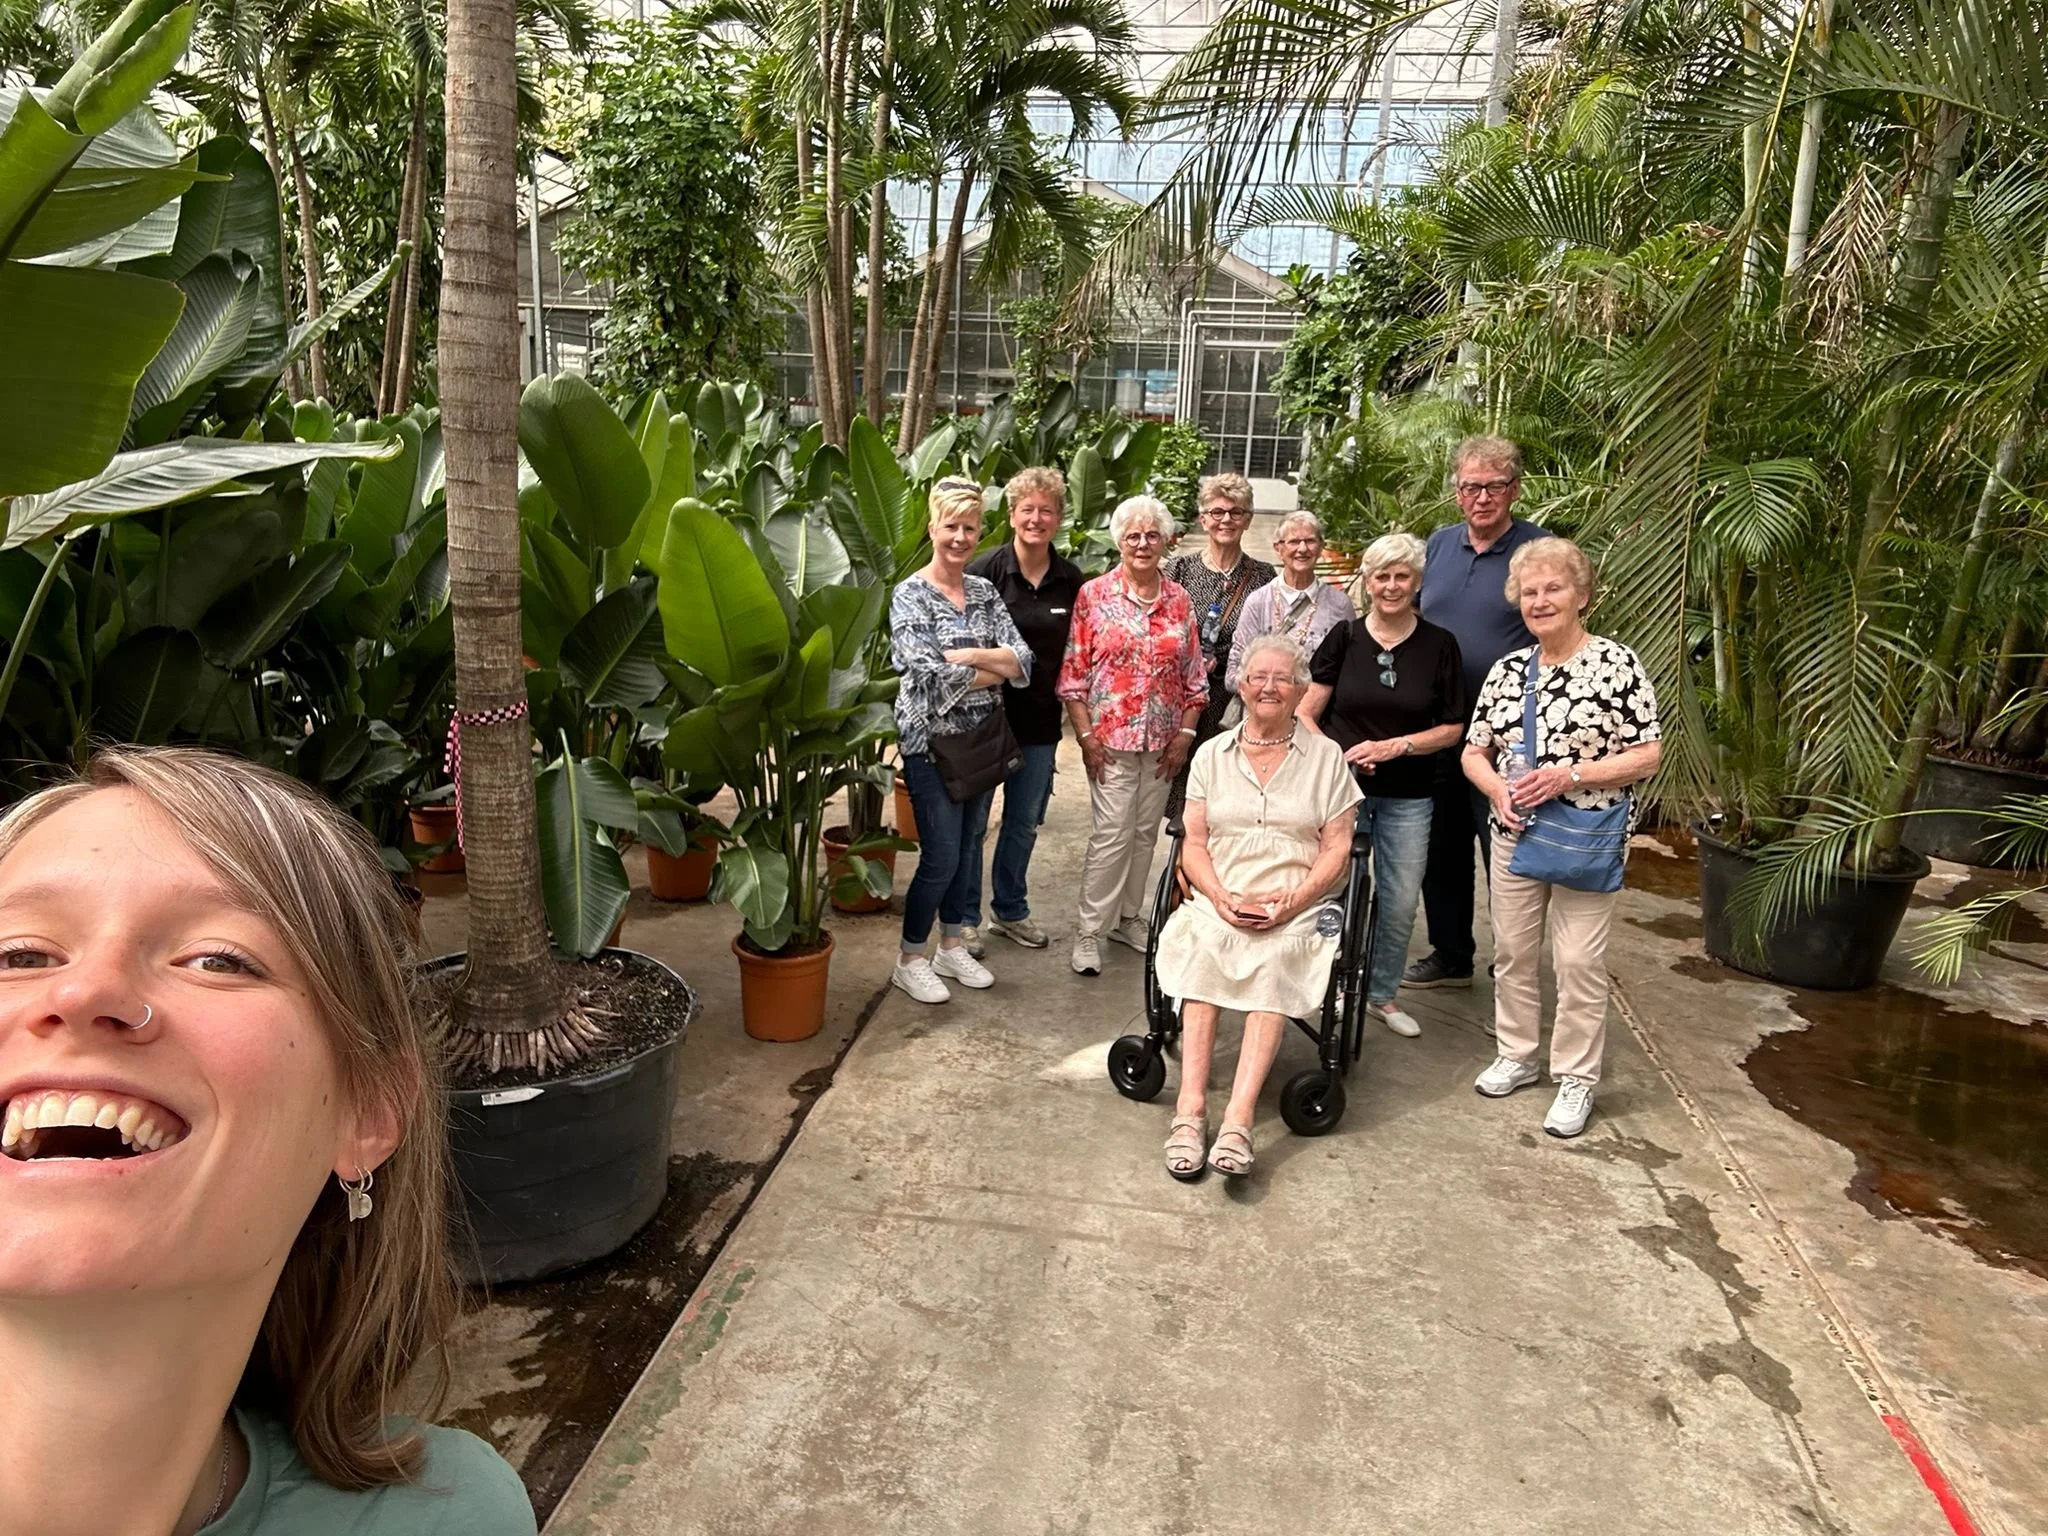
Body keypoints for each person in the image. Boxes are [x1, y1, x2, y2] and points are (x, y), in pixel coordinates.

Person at [0, 746, 535, 1536]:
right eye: (19, 953)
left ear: (369, 1110)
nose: (82, 992)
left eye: (218, 959)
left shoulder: (444, 1517)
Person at [1463, 537, 1662, 1138]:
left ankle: (1576, 1077)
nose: (1541, 600)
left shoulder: (1616, 665)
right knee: (1514, 953)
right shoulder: (1508, 671)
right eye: (1530, 592)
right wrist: (1498, 790)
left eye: (1553, 589)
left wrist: (1570, 775)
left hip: (1587, 834)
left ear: (1582, 595)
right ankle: (1518, 1054)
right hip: (1516, 833)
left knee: (1578, 960)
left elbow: (1648, 754)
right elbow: (1475, 751)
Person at [1153, 634, 1362, 1180]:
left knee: (1272, 964)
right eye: (1258, 678)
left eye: (1283, 679)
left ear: (1299, 691)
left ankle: (1239, 1120)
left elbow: (1339, 844)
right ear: (1241, 686)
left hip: (1296, 898)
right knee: (1202, 953)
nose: (1269, 687)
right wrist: (1219, 897)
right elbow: (1192, 843)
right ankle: (1190, 1110)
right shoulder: (1211, 755)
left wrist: (1295, 900)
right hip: (1222, 891)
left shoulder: (1326, 758)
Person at [1299, 533, 1468, 1038]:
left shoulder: (1440, 644)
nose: (1391, 586)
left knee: (1397, 900)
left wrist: (1397, 747)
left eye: (1402, 577)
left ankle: (1380, 994)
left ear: (1417, 583)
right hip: (1343, 793)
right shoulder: (1345, 637)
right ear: (1367, 583)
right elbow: (1307, 712)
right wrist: (1338, 754)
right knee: (1329, 894)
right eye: (1381, 577)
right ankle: (1322, 987)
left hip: (1410, 794)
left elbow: (1452, 727)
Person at [1407, 435, 1549, 991]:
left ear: (1513, 489)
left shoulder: (1537, 550)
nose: (1482, 497)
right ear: (1457, 493)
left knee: (1507, 851)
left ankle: (1513, 964)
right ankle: (1450, 952)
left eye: (1493, 486)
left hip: (1510, 735)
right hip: (1442, 726)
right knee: (1442, 846)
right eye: (1471, 487)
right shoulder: (1438, 546)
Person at [888, 477, 1032, 1006]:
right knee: (941, 857)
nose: (960, 537)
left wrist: (968, 657)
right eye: (951, 526)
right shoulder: (910, 594)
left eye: (969, 528)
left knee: (969, 845)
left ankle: (951, 944)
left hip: (981, 740)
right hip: (931, 745)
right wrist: (990, 660)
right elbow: (924, 673)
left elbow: (1022, 660)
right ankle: (910, 957)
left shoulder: (986, 591)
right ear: (932, 529)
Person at [1056, 496, 1207, 979]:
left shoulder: (1179, 599)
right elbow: (1074, 674)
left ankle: (1127, 918)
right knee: (1110, 836)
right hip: (1111, 743)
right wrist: (1085, 737)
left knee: (1144, 834)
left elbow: (1194, 678)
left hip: (1164, 744)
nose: (1143, 544)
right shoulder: (1093, 596)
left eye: (1152, 535)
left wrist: (1185, 735)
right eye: (1133, 536)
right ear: (1119, 541)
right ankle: (1089, 930)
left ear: (1166, 541)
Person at [963, 467, 1084, 954]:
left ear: (1058, 518)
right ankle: (963, 917)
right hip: (983, 719)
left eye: (1046, 510)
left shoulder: (1070, 580)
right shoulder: (984, 572)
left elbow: (1080, 651)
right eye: (1027, 509)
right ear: (1012, 515)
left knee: (1023, 821)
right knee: (973, 823)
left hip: (1038, 724)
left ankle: (1010, 909)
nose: (1036, 518)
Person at [1162, 472, 1275, 821]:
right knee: (1182, 801)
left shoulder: (1264, 577)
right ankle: (1180, 870)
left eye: (1236, 512)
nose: (1226, 519)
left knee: (1227, 799)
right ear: (1203, 518)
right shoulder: (1178, 569)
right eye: (1217, 512)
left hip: (1235, 704)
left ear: (1248, 519)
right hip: (1183, 703)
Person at [1223, 511, 1355, 694]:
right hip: (1264, 712)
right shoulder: (1258, 602)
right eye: (1293, 541)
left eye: (1310, 541)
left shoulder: (1339, 605)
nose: (1302, 549)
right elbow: (1233, 675)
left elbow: (1350, 671)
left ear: (1321, 547)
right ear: (1278, 549)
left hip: (1317, 718)